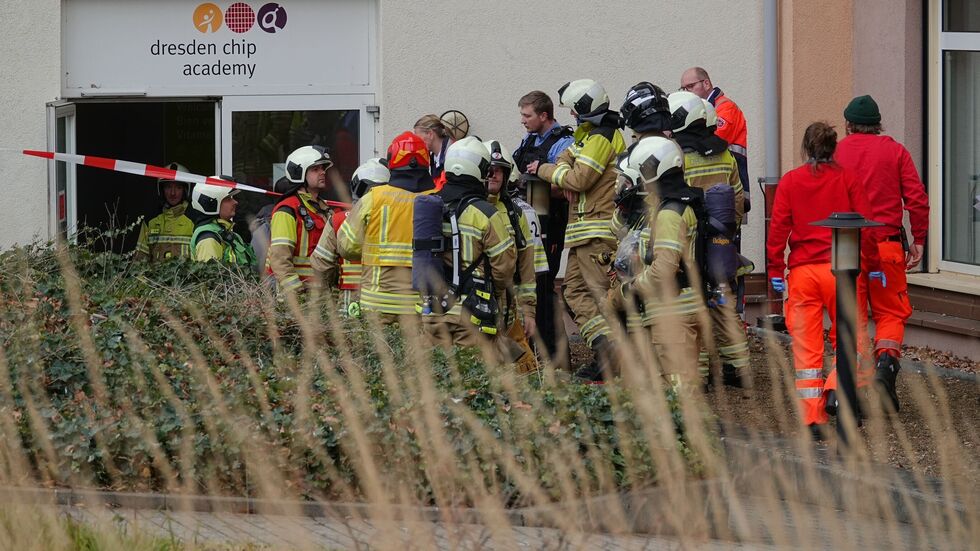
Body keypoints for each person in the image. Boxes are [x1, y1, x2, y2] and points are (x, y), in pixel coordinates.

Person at [767, 122, 883, 438]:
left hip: (804, 273)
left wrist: (776, 271)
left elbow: (778, 230)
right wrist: (871, 264)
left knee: (806, 349)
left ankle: (812, 420)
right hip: (843, 270)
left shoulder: (790, 182)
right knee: (853, 338)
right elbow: (867, 228)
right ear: (834, 148)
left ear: (805, 148)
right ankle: (837, 389)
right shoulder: (848, 179)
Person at [834, 95, 929, 413]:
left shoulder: (837, 152)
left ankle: (854, 392)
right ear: (878, 124)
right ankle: (886, 364)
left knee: (854, 318)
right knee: (891, 314)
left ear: (848, 125)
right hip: (887, 246)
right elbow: (916, 198)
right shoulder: (895, 151)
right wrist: (919, 239)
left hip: (848, 248)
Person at [531, 79, 627, 381]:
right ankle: (607, 350)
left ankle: (612, 356)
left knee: (595, 295)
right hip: (585, 234)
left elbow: (578, 180)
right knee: (573, 291)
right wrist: (564, 174)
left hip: (598, 233)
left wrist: (545, 171)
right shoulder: (591, 137)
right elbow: (567, 162)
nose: (572, 116)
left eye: (574, 111)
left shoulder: (602, 138)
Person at [668, 91, 750, 388]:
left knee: (692, 304)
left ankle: (700, 373)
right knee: (722, 302)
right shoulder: (725, 152)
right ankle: (738, 367)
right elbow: (738, 196)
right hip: (719, 240)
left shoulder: (677, 155)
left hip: (689, 240)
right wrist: (728, 233)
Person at [612, 136, 706, 387]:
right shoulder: (671, 206)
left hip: (672, 318)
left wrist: (628, 289)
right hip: (670, 316)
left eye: (643, 172)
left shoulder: (669, 214)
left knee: (678, 402)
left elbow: (663, 269)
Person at [422, 137, 516, 351]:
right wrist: (498, 296)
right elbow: (505, 267)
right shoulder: (486, 213)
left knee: (437, 377)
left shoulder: (428, 206)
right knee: (473, 377)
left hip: (433, 310)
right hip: (472, 313)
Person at [338, 132, 436, 321]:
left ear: (392, 161)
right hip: (420, 305)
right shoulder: (438, 199)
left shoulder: (373, 198)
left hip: (376, 304)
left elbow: (347, 247)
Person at [513, 90, 575, 366]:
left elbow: (565, 187)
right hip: (529, 221)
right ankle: (534, 350)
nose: (523, 121)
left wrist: (539, 181)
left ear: (544, 115)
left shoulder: (563, 143)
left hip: (550, 223)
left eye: (527, 115)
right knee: (531, 285)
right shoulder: (531, 138)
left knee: (545, 287)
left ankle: (555, 356)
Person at [484, 139, 540, 373]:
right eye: (489, 170)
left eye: (499, 171)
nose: (494, 175)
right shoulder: (467, 210)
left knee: (525, 369)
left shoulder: (516, 214)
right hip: (475, 305)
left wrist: (528, 311)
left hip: (508, 307)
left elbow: (527, 267)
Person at [312, 158, 390, 313]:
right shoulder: (399, 221)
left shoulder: (339, 220)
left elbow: (321, 264)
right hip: (385, 304)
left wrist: (330, 293)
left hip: (349, 305)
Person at [680, 67, 749, 214]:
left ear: (706, 83)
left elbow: (713, 140)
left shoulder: (725, 108)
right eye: (684, 88)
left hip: (730, 185)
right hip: (717, 184)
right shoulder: (702, 110)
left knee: (726, 231)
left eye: (691, 86)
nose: (687, 92)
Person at [267, 145, 336, 293]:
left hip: (321, 297)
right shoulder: (287, 210)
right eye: (315, 169)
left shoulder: (325, 209)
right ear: (299, 173)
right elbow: (280, 260)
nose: (323, 172)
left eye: (323, 168)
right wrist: (297, 293)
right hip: (298, 299)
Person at [188, 180, 256, 267]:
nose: (235, 202)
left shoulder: (223, 232)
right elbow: (212, 278)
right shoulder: (209, 239)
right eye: (228, 199)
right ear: (211, 204)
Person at [135, 162, 194, 262]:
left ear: (185, 190)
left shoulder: (195, 219)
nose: (173, 193)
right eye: (168, 187)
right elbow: (139, 260)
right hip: (155, 278)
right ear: (161, 189)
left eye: (178, 187)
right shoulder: (151, 220)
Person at [414, 114, 453, 186]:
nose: (417, 142)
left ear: (430, 134)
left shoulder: (453, 154)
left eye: (418, 138)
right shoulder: (433, 157)